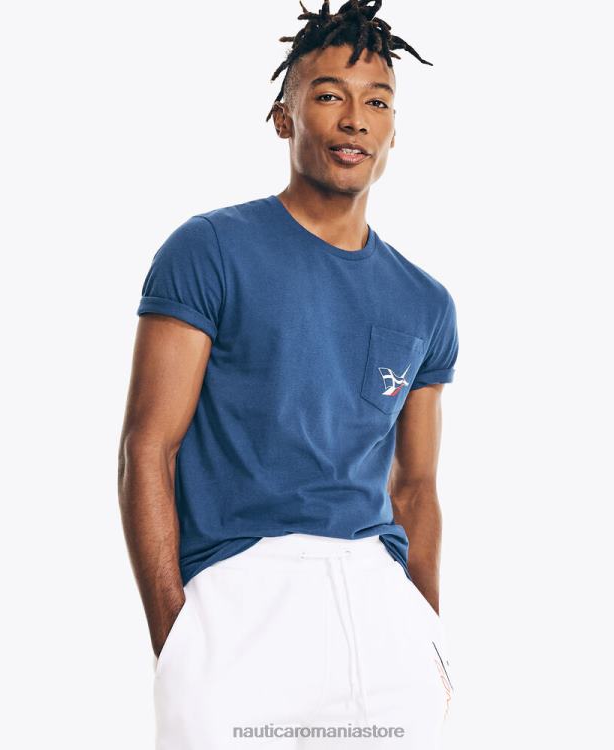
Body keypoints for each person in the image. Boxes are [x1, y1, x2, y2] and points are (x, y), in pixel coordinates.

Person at [118, 1, 459, 747]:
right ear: (285, 117)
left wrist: (426, 631)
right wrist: (175, 638)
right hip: (238, 601)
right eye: (329, 95)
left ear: (394, 131)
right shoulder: (208, 249)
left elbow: (415, 487)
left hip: (380, 615)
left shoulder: (426, 301)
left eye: (377, 103)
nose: (355, 120)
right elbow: (149, 447)